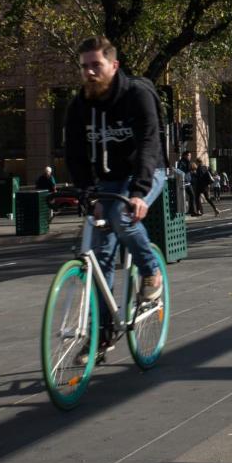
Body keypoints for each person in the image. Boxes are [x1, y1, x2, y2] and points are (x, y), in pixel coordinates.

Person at [65, 36, 167, 363]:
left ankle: (151, 271)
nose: (90, 72)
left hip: (147, 172)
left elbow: (149, 144)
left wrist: (138, 193)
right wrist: (87, 192)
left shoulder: (137, 95)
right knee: (99, 256)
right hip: (107, 180)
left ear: (114, 65)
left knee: (123, 217)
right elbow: (75, 154)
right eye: (84, 66)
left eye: (96, 65)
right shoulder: (79, 105)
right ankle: (102, 335)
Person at [177, 151, 198, 215]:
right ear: (185, 155)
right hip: (184, 181)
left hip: (188, 181)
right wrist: (189, 169)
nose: (190, 157)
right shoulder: (181, 162)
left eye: (190, 155)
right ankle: (191, 211)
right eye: (189, 155)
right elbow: (180, 171)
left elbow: (190, 170)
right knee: (189, 196)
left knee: (192, 195)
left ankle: (191, 211)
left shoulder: (188, 162)